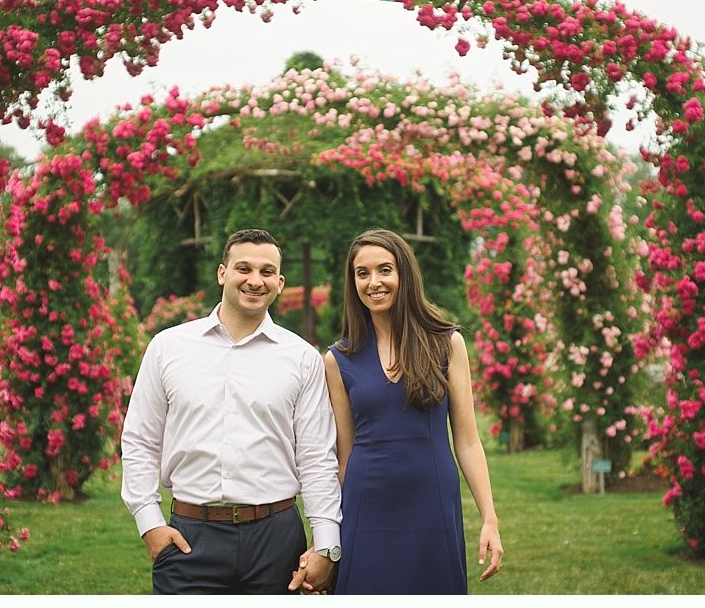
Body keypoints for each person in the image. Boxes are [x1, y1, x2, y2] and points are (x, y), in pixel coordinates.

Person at [121, 229, 341, 594]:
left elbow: (317, 456)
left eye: (267, 272)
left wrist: (326, 544)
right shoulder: (168, 347)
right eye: (244, 268)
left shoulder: (302, 357)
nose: (255, 280)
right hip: (190, 538)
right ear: (222, 273)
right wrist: (149, 523)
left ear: (280, 282)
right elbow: (140, 440)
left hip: (276, 538)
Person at [304, 228, 504, 594]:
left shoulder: (447, 343)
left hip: (432, 502)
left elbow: (468, 441)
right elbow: (343, 457)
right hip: (367, 505)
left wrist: (489, 517)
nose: (373, 282)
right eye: (362, 273)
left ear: (404, 275)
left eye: (385, 270)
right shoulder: (336, 359)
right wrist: (325, 536)